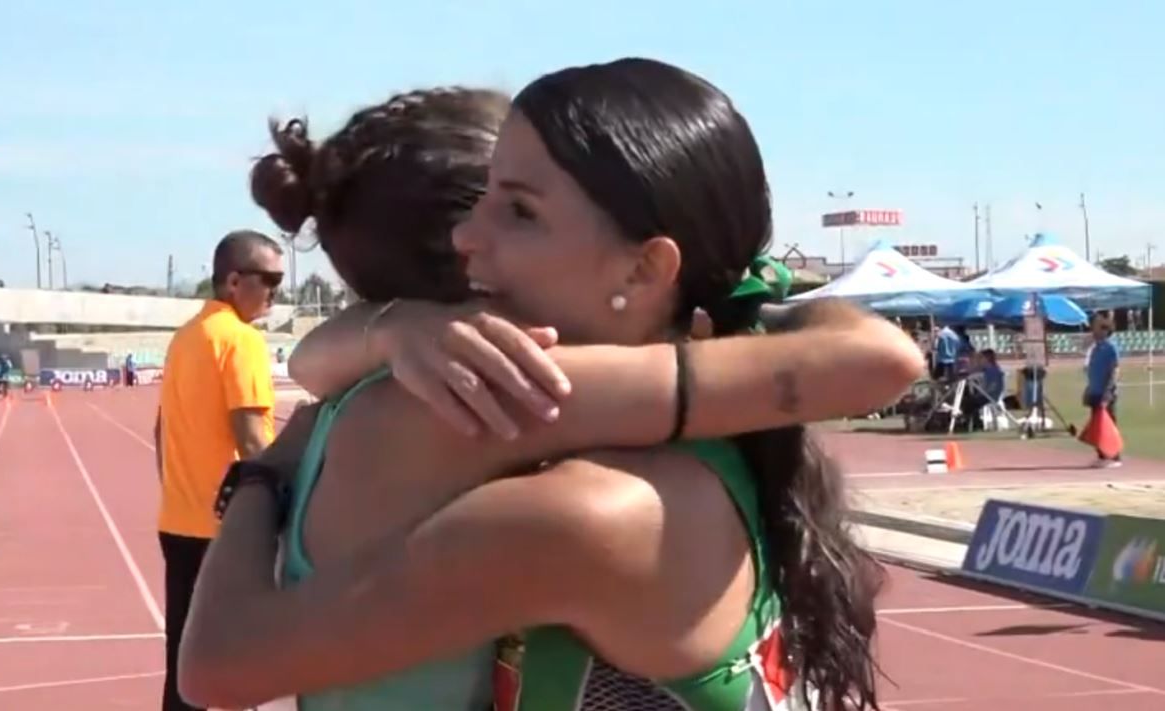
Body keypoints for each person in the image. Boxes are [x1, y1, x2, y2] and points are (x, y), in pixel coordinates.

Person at [181, 67, 922, 711]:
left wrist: (264, 473)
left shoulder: (584, 508)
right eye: (485, 198)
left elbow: (218, 666)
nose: (471, 236)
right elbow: (869, 355)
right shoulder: (709, 423)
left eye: (519, 209)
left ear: (644, 269)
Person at [154, 229, 284, 711]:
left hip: (178, 522)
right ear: (234, 281)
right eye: (269, 279)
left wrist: (178, 492)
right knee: (237, 665)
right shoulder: (241, 340)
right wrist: (285, 513)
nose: (275, 292)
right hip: (228, 529)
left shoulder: (185, 338)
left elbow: (160, 433)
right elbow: (254, 440)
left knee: (185, 669)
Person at [1083, 315, 1121, 467]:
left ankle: (1114, 456)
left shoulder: (1110, 347)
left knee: (1108, 425)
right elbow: (1092, 371)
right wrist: (1088, 389)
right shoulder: (1095, 348)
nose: (1093, 330)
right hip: (1094, 391)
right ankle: (1101, 455)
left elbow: (1115, 370)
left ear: (1105, 330)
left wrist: (1108, 392)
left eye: (1097, 327)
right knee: (1097, 426)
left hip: (1105, 393)